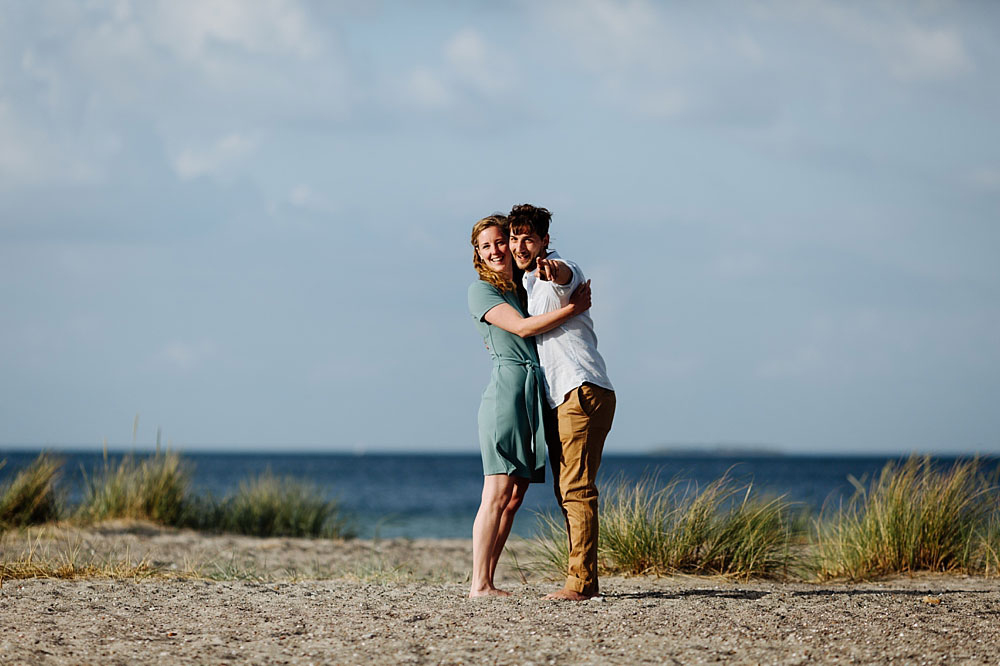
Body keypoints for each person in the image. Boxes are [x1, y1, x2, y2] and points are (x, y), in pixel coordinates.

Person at [467, 214, 592, 598]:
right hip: (507, 392)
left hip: (533, 394)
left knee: (515, 496)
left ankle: (488, 578)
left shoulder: (520, 287)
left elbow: (556, 272)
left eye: (499, 242)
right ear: (477, 254)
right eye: (485, 246)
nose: (495, 251)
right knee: (497, 491)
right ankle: (479, 584)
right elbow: (522, 330)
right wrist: (574, 309)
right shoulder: (481, 291)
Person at [507, 203, 616, 601]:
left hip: (581, 388)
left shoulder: (557, 269)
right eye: (515, 238)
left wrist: (554, 272)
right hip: (563, 395)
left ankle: (582, 585)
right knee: (567, 491)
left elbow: (565, 274)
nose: (520, 246)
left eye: (528, 238)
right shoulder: (529, 284)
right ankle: (581, 578)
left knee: (576, 490)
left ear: (545, 241)